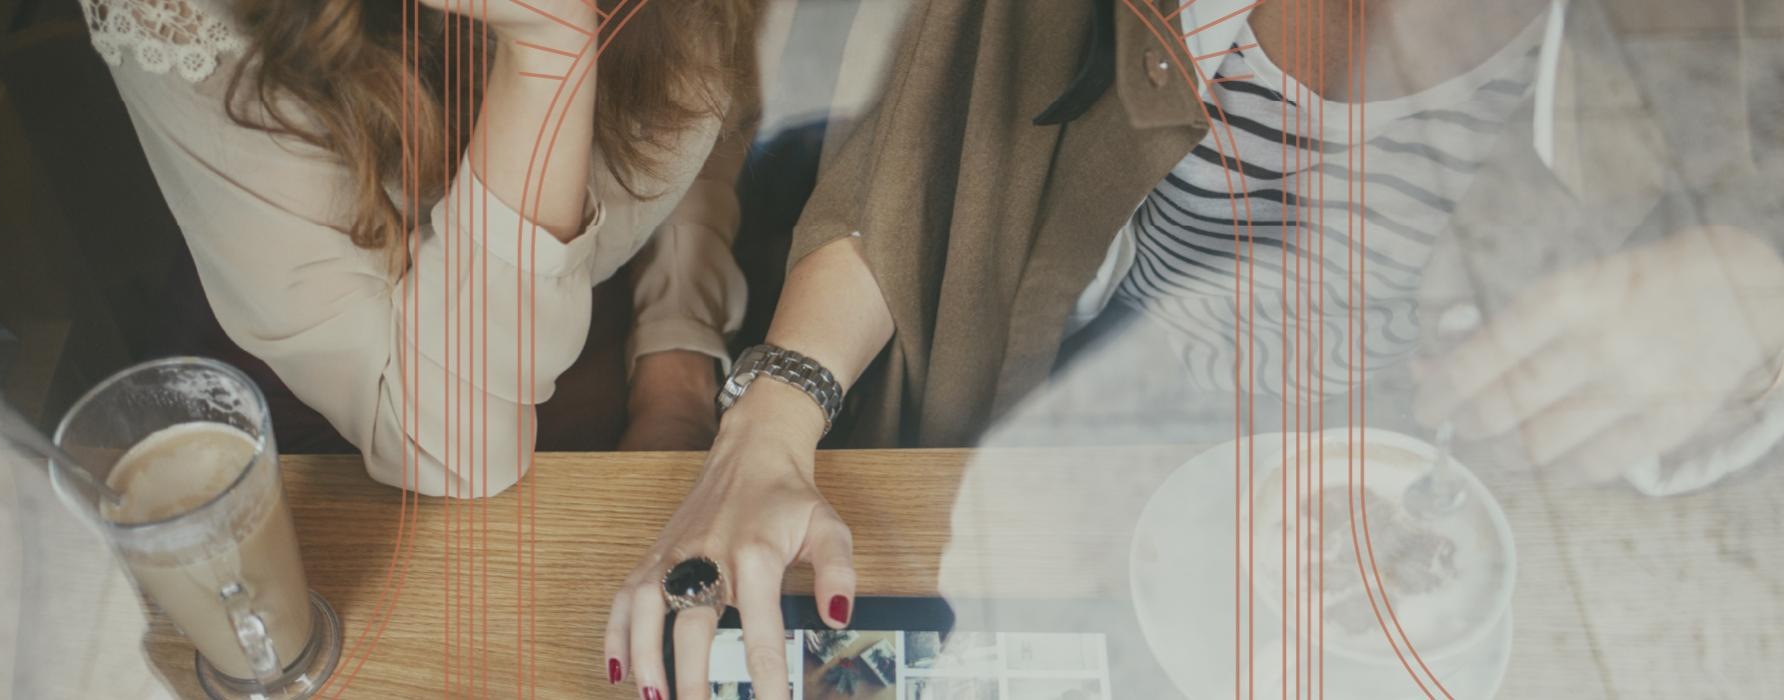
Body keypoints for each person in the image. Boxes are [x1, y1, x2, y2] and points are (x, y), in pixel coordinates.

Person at [609, 0, 1783, 697]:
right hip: (1070, 442)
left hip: (1398, 473)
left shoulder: (1682, 45)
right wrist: (770, 418)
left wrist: (1754, 278)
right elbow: (923, 158)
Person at [82, 0, 764, 496]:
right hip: (329, 392)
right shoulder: (179, 11)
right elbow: (448, 450)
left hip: (578, 314)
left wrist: (675, 374)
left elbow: (696, 109)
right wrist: (549, 45)